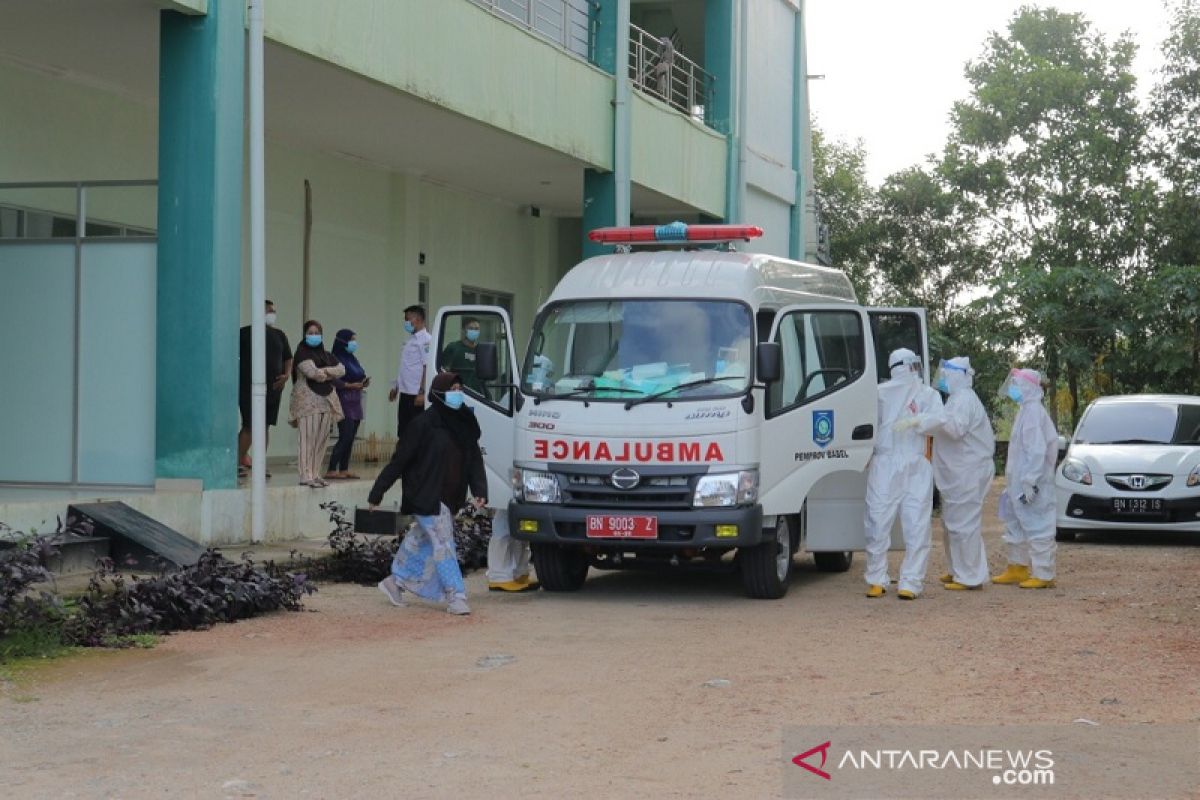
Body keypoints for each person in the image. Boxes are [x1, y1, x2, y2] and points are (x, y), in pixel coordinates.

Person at [370, 372, 487, 615]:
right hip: (425, 494)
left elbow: (474, 459)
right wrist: (377, 492)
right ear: (439, 393)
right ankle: (456, 595)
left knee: (421, 541)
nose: (457, 393)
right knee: (443, 543)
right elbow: (399, 460)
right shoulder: (423, 424)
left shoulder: (464, 422)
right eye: (452, 388)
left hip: (450, 497)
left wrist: (479, 489)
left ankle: (396, 582)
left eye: (459, 388)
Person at [906, 357, 996, 590]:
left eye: (946, 374)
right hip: (958, 472)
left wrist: (927, 420)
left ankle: (970, 576)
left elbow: (955, 429)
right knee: (952, 524)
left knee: (964, 525)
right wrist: (930, 419)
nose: (943, 379)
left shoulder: (965, 399)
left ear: (958, 375)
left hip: (967, 472)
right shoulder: (956, 399)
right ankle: (958, 570)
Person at [863, 348, 943, 599]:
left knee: (916, 524)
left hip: (915, 462)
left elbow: (940, 420)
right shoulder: (878, 393)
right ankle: (876, 578)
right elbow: (868, 424)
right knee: (877, 520)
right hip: (885, 461)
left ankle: (911, 581)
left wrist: (918, 420)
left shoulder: (928, 394)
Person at [993, 368, 1058, 589]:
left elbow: (1037, 450)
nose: (1012, 388)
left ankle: (1044, 574)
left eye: (1016, 384)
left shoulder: (1033, 412)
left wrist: (1030, 479)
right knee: (1016, 522)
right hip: (1020, 480)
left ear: (1028, 387)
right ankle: (1017, 567)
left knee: (1038, 524)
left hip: (1033, 482)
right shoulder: (1026, 410)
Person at [238, 300, 292, 478]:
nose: (272, 314)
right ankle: (238, 461)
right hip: (248, 387)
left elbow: (288, 357)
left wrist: (286, 375)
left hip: (274, 388)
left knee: (265, 426)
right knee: (250, 425)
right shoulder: (244, 333)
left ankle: (260, 463)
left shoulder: (280, 335)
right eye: (269, 310)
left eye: (274, 311)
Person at [288, 320, 344, 488]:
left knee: (321, 439)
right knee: (307, 438)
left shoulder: (326, 354)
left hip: (325, 401)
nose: (314, 336)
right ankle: (305, 475)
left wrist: (325, 371)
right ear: (305, 335)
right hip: (307, 403)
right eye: (310, 333)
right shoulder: (301, 353)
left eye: (316, 332)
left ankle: (315, 473)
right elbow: (313, 373)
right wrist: (329, 372)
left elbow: (342, 369)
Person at [326, 329, 369, 480]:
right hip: (342, 400)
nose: (354, 343)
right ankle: (332, 468)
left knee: (351, 437)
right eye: (351, 340)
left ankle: (344, 468)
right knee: (345, 435)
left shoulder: (352, 358)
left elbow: (360, 373)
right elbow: (332, 379)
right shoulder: (334, 358)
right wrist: (349, 385)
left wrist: (363, 382)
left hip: (355, 400)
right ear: (342, 341)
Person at [389, 304, 430, 438]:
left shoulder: (426, 340)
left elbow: (426, 366)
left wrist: (422, 392)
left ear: (417, 319)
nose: (406, 323)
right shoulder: (410, 340)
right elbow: (405, 367)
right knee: (403, 432)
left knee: (416, 433)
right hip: (405, 393)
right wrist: (396, 388)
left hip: (416, 394)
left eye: (408, 319)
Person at [439, 316, 488, 397]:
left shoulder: (482, 350)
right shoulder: (453, 348)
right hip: (458, 393)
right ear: (464, 330)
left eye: (477, 329)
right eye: (471, 328)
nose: (474, 331)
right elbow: (443, 371)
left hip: (478, 396)